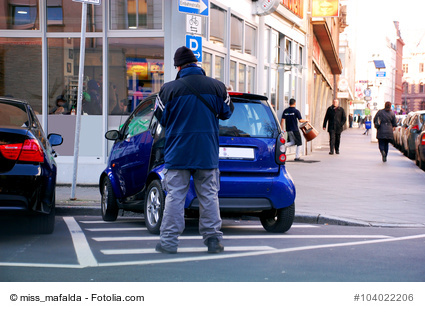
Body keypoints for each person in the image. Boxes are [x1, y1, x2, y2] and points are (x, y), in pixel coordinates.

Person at [154, 46, 234, 254]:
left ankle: (169, 242)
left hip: (177, 152)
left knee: (175, 196)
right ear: (197, 64)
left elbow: (160, 117)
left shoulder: (168, 89)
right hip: (206, 153)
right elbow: (227, 112)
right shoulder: (217, 87)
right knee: (209, 195)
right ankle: (213, 241)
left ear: (178, 67)